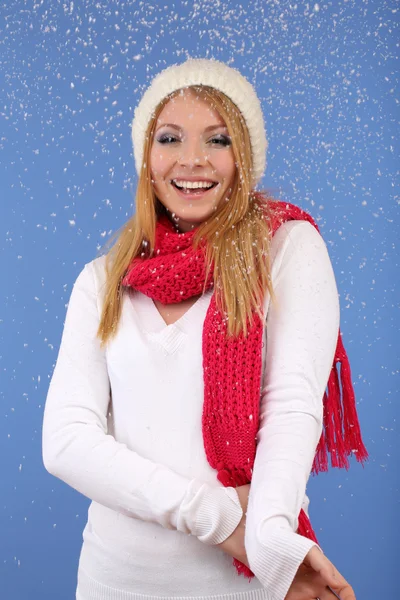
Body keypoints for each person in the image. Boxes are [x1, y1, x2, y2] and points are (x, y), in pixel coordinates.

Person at [42, 58, 369, 600]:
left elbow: (291, 408)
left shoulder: (285, 249)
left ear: (245, 157)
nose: (192, 160)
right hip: (112, 582)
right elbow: (67, 442)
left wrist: (267, 541)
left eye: (218, 140)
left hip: (245, 586)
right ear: (147, 155)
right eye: (169, 137)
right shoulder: (103, 280)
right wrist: (219, 518)